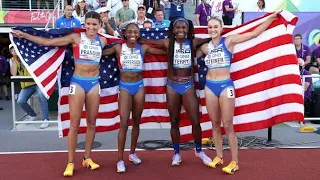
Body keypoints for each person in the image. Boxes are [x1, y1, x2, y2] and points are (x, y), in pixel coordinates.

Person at [12, 11, 108, 177]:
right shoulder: (75, 38)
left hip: (94, 84)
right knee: (74, 124)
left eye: (95, 24)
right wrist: (25, 35)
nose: (91, 27)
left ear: (100, 25)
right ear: (83, 24)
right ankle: (70, 162)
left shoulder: (104, 40)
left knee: (92, 123)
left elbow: (120, 44)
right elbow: (48, 41)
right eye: (88, 24)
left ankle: (87, 157)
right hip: (77, 83)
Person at [196, 12, 280, 174]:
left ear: (221, 28)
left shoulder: (229, 40)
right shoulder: (204, 47)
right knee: (214, 124)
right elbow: (186, 54)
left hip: (226, 86)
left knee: (227, 125)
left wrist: (269, 19)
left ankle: (234, 161)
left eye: (215, 27)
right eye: (210, 27)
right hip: (209, 86)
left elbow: (254, 34)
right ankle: (219, 156)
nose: (212, 29)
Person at [140, 17, 212, 166]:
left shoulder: (193, 42)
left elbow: (211, 38)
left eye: (183, 28)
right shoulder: (168, 42)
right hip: (172, 86)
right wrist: (129, 37)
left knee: (195, 121)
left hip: (188, 85)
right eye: (177, 28)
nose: (180, 30)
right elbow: (146, 40)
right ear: (173, 29)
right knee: (174, 121)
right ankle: (176, 153)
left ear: (188, 29)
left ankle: (199, 151)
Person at [102, 22, 166, 173]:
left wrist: (179, 46)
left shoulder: (143, 48)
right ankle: (119, 159)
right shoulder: (118, 47)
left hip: (139, 87)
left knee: (137, 121)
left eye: (135, 32)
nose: (132, 34)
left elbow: (163, 52)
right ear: (125, 33)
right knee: (123, 122)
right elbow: (100, 53)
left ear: (139, 34)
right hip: (124, 87)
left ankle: (132, 153)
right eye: (130, 32)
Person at [8, 44, 49, 129]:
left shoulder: (27, 54)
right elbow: (14, 73)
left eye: (15, 48)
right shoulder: (12, 60)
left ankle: (46, 119)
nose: (14, 50)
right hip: (26, 84)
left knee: (42, 97)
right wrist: (15, 60)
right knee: (20, 101)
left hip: (37, 82)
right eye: (12, 50)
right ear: (11, 52)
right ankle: (32, 115)